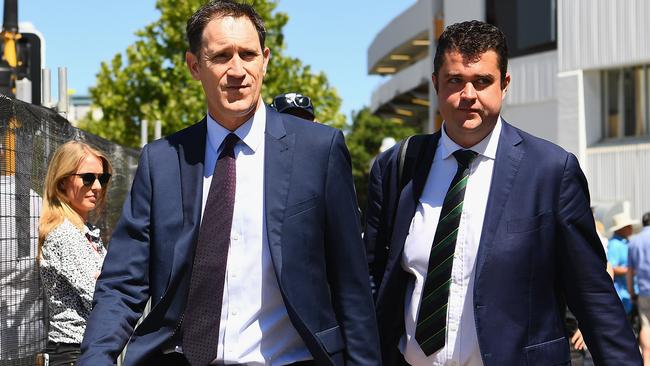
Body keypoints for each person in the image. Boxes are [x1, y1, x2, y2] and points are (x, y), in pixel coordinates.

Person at [78, 1, 379, 365]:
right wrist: (96, 357)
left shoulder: (320, 151)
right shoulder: (162, 161)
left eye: (248, 55)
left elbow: (352, 286)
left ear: (265, 60)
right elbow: (123, 283)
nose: (238, 70)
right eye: (221, 57)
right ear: (194, 66)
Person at [364, 20, 641, 365]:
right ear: (435, 84)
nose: (468, 95)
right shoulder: (398, 168)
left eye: (482, 82)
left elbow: (593, 295)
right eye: (455, 81)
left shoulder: (551, 172)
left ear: (504, 84)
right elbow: (371, 283)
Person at [38, 141, 112, 366]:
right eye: (88, 178)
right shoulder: (63, 234)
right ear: (62, 183)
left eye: (103, 178)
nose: (97, 186)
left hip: (87, 352)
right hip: (73, 354)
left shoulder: (86, 232)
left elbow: (109, 285)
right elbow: (101, 297)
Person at [628, 212, 650, 365]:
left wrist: (631, 292)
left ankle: (647, 360)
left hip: (643, 291)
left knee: (646, 326)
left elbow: (630, 270)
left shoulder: (634, 241)